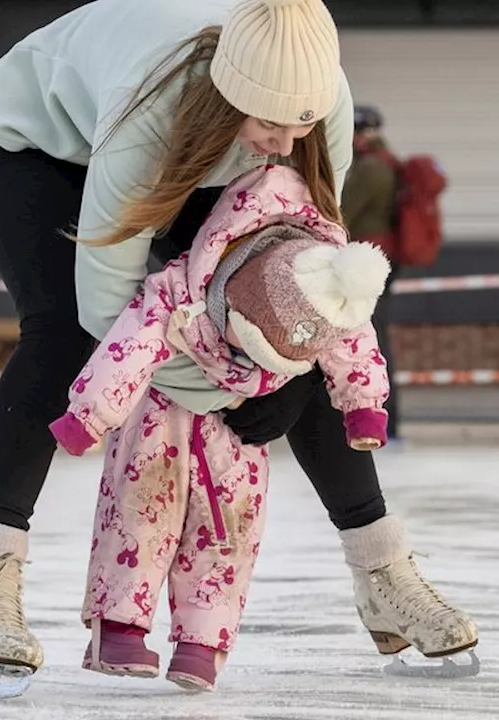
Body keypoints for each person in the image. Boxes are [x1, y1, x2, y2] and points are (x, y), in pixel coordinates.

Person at [0, 0, 477, 696]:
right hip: (41, 151)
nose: (285, 143)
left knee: (284, 309)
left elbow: (315, 269)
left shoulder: (321, 103)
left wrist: (287, 380)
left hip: (202, 153)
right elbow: (109, 306)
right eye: (269, 123)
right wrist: (227, 387)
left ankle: (384, 573)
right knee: (64, 332)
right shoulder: (151, 113)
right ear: (231, 95)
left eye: (300, 124)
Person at [50, 164, 393, 692]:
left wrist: (363, 405)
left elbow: (353, 340)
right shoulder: (180, 290)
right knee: (140, 510)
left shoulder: (322, 282)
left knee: (229, 529)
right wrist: (89, 415)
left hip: (238, 422)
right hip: (156, 414)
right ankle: (118, 626)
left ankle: (201, 643)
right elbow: (130, 345)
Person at [342, 105, 402, 441]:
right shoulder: (382, 163)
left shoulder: (372, 168)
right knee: (372, 338)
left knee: (372, 341)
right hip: (373, 261)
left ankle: (385, 421)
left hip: (370, 264)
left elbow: (343, 211)